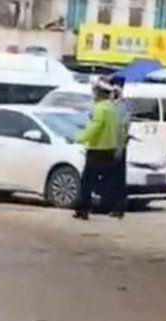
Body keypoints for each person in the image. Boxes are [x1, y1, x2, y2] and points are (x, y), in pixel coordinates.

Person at [73, 80, 121, 220]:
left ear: (99, 93)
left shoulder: (99, 108)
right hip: (110, 147)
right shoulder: (113, 108)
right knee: (108, 180)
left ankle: (83, 209)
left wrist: (80, 138)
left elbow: (95, 127)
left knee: (87, 181)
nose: (93, 94)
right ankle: (114, 206)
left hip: (97, 148)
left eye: (94, 91)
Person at [108, 75, 130, 218]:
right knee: (111, 178)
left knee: (118, 178)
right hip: (110, 144)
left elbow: (123, 126)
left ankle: (119, 207)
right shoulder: (112, 103)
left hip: (118, 145)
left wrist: (119, 148)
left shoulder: (122, 105)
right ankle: (112, 205)